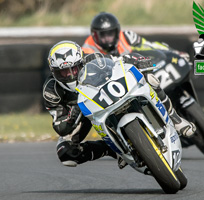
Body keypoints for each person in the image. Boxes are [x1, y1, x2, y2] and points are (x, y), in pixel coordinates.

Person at [43, 40, 195, 168]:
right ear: (53, 72)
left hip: (108, 94)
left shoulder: (93, 58)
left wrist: (135, 60)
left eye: (73, 69)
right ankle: (113, 150)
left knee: (149, 78)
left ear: (80, 63)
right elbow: (60, 127)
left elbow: (117, 62)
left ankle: (175, 118)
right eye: (62, 73)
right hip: (83, 115)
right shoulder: (51, 91)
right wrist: (71, 116)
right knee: (65, 152)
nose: (69, 75)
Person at [82, 12, 190, 59]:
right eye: (103, 35)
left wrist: (174, 53)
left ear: (117, 31)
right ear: (94, 35)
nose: (107, 39)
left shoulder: (126, 36)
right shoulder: (86, 50)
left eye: (110, 34)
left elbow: (151, 46)